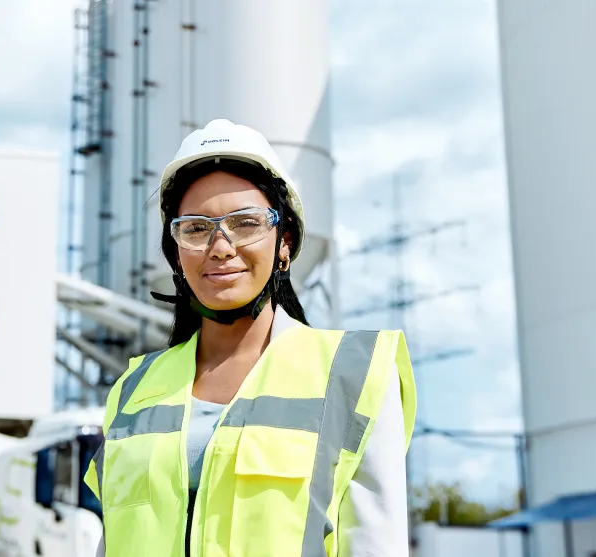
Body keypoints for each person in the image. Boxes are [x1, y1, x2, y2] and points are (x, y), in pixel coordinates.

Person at [84, 118, 417, 557]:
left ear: (285, 242)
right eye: (196, 228)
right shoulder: (133, 390)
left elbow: (376, 545)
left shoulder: (353, 375)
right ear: (177, 252)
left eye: (245, 223)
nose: (220, 247)